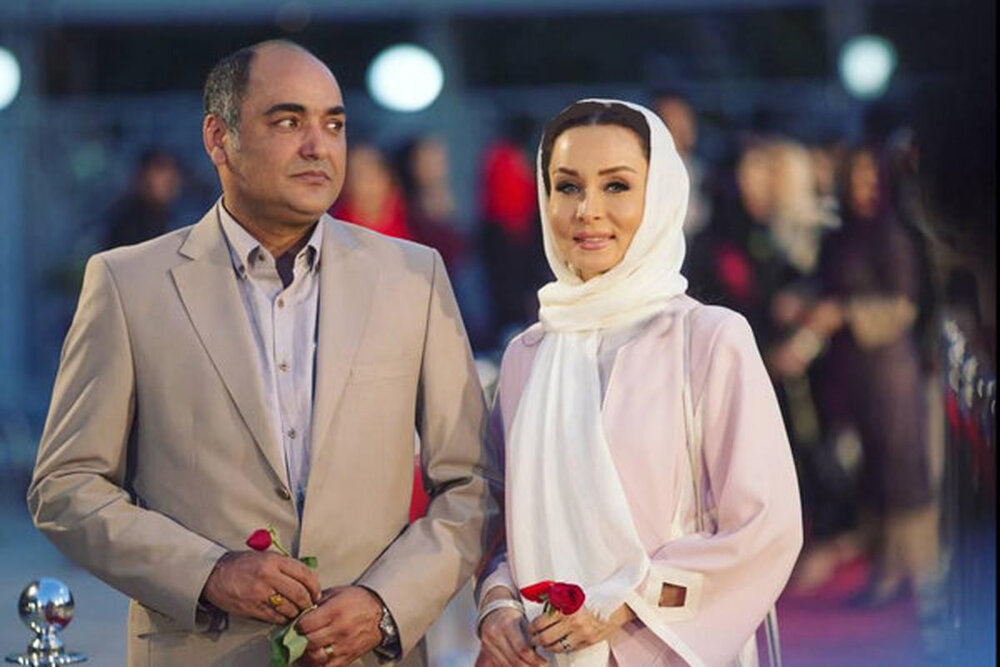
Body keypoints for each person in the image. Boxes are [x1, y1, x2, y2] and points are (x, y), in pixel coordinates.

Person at [28, 40, 495, 667]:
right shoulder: (129, 283)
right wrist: (207, 573)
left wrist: (386, 603)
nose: (319, 146)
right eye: (288, 122)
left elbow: (471, 483)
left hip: (368, 654)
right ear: (218, 139)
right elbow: (66, 486)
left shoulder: (413, 277)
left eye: (334, 124)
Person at [474, 99, 802, 666]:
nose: (588, 210)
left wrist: (625, 602)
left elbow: (764, 527)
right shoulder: (527, 355)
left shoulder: (706, 338)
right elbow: (502, 530)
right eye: (567, 187)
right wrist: (498, 604)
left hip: (667, 649)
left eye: (617, 186)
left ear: (661, 197)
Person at [104, 147, 183, 249]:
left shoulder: (171, 219)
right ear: (143, 177)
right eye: (161, 170)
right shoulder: (127, 224)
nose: (170, 178)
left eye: (174, 170)